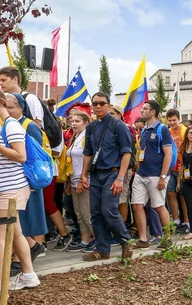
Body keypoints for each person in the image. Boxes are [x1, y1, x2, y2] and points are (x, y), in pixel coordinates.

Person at [0, 88, 40, 302]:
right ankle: (29, 275)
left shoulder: (11, 125)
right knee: (16, 233)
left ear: (1, 101)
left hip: (10, 188)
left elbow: (20, 156)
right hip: (2, 188)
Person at [81, 92, 133, 261]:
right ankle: (103, 249)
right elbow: (87, 153)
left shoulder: (119, 125)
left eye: (102, 103)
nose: (98, 106)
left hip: (113, 173)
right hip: (96, 174)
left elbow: (126, 153)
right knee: (95, 213)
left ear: (109, 105)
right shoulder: (91, 126)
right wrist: (83, 175)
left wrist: (120, 177)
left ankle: (126, 242)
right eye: (95, 103)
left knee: (109, 210)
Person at [4, 93, 49, 275]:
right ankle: (26, 251)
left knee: (25, 220)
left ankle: (20, 259)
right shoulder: (7, 125)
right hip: (15, 179)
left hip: (28, 179)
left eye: (11, 107)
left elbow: (36, 157)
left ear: (21, 108)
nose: (7, 111)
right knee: (18, 220)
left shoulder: (28, 125)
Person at [131, 100, 173, 249]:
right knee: (136, 205)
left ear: (153, 112)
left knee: (159, 206)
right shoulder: (144, 130)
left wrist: (163, 177)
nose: (141, 111)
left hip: (156, 174)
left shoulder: (162, 129)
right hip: (141, 173)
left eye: (145, 109)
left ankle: (167, 238)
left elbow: (168, 154)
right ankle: (143, 239)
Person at [66, 110, 95, 252]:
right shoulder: (75, 137)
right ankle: (85, 240)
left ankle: (97, 239)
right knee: (79, 213)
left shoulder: (86, 138)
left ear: (85, 123)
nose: (73, 124)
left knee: (87, 213)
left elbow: (88, 160)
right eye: (72, 121)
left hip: (84, 181)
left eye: (77, 121)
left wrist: (81, 179)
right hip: (73, 181)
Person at [165, 108, 190, 234]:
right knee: (170, 193)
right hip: (171, 168)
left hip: (183, 167)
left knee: (183, 196)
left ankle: (186, 221)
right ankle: (175, 221)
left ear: (179, 119)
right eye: (169, 120)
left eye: (174, 120)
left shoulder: (184, 131)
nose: (172, 123)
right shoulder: (167, 132)